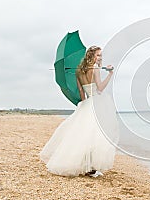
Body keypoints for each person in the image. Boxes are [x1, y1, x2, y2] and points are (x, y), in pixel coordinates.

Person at [40, 46, 120, 177]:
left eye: (101, 55)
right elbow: (100, 88)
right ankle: (91, 167)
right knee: (96, 136)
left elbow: (82, 92)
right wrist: (110, 74)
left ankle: (87, 166)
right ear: (91, 56)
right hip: (97, 102)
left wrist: (84, 105)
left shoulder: (78, 71)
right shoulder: (95, 68)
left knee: (85, 135)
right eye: (98, 55)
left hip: (86, 104)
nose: (100, 58)